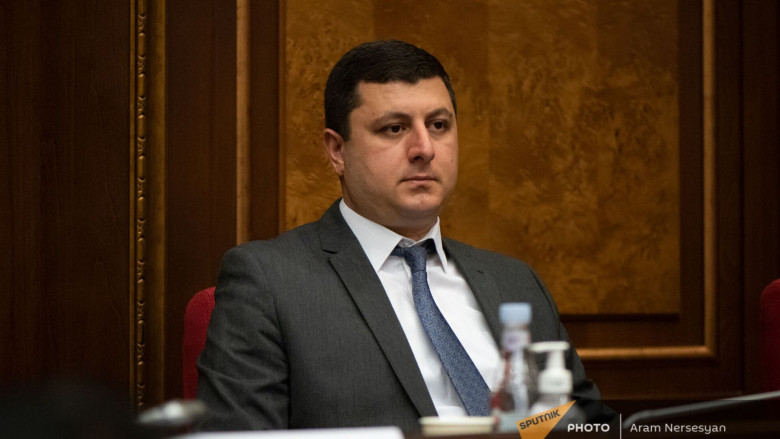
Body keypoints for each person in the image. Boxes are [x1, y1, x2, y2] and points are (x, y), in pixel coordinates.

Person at [196, 39, 608, 432]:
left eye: (439, 125)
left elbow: (582, 424)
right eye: (394, 129)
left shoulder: (514, 282)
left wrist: (537, 427)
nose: (424, 148)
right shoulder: (270, 282)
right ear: (337, 151)